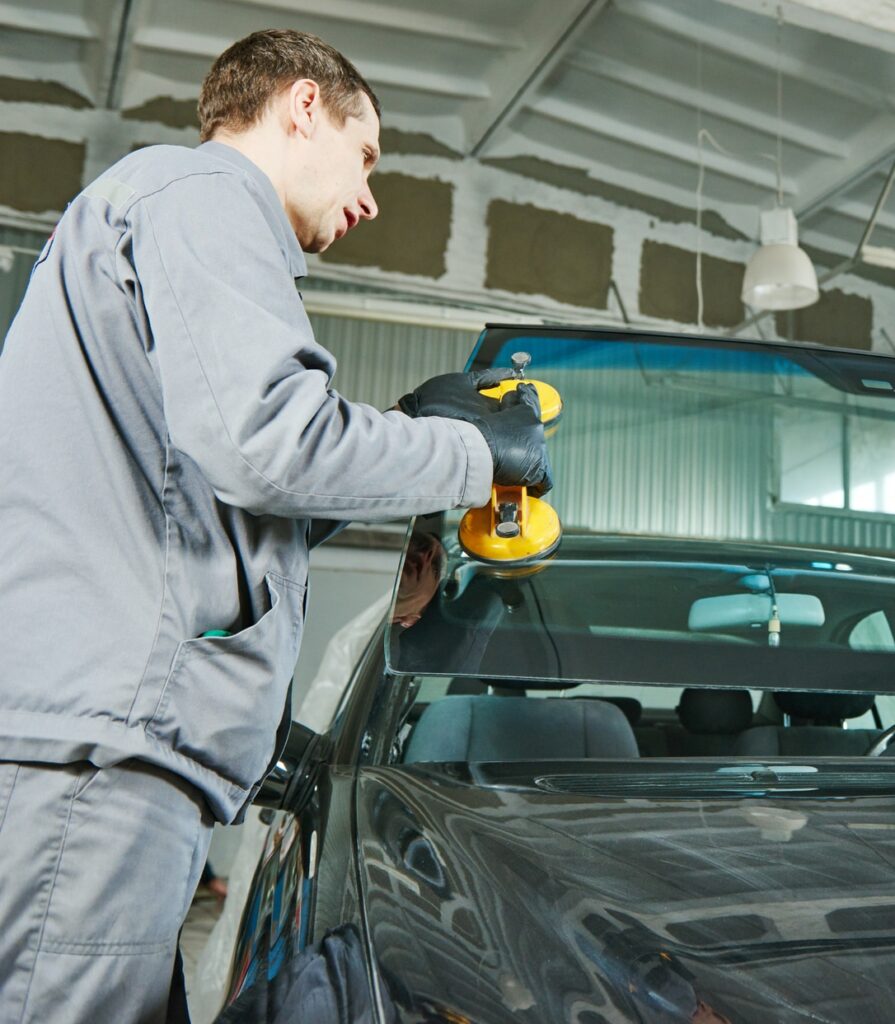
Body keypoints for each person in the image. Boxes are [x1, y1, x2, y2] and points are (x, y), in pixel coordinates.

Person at [0, 27, 552, 1024]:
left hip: (104, 752)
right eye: (368, 153)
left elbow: (217, 500)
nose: (371, 196)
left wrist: (401, 438)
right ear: (303, 106)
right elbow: (270, 445)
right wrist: (478, 457)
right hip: (107, 762)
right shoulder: (206, 197)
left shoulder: (150, 212)